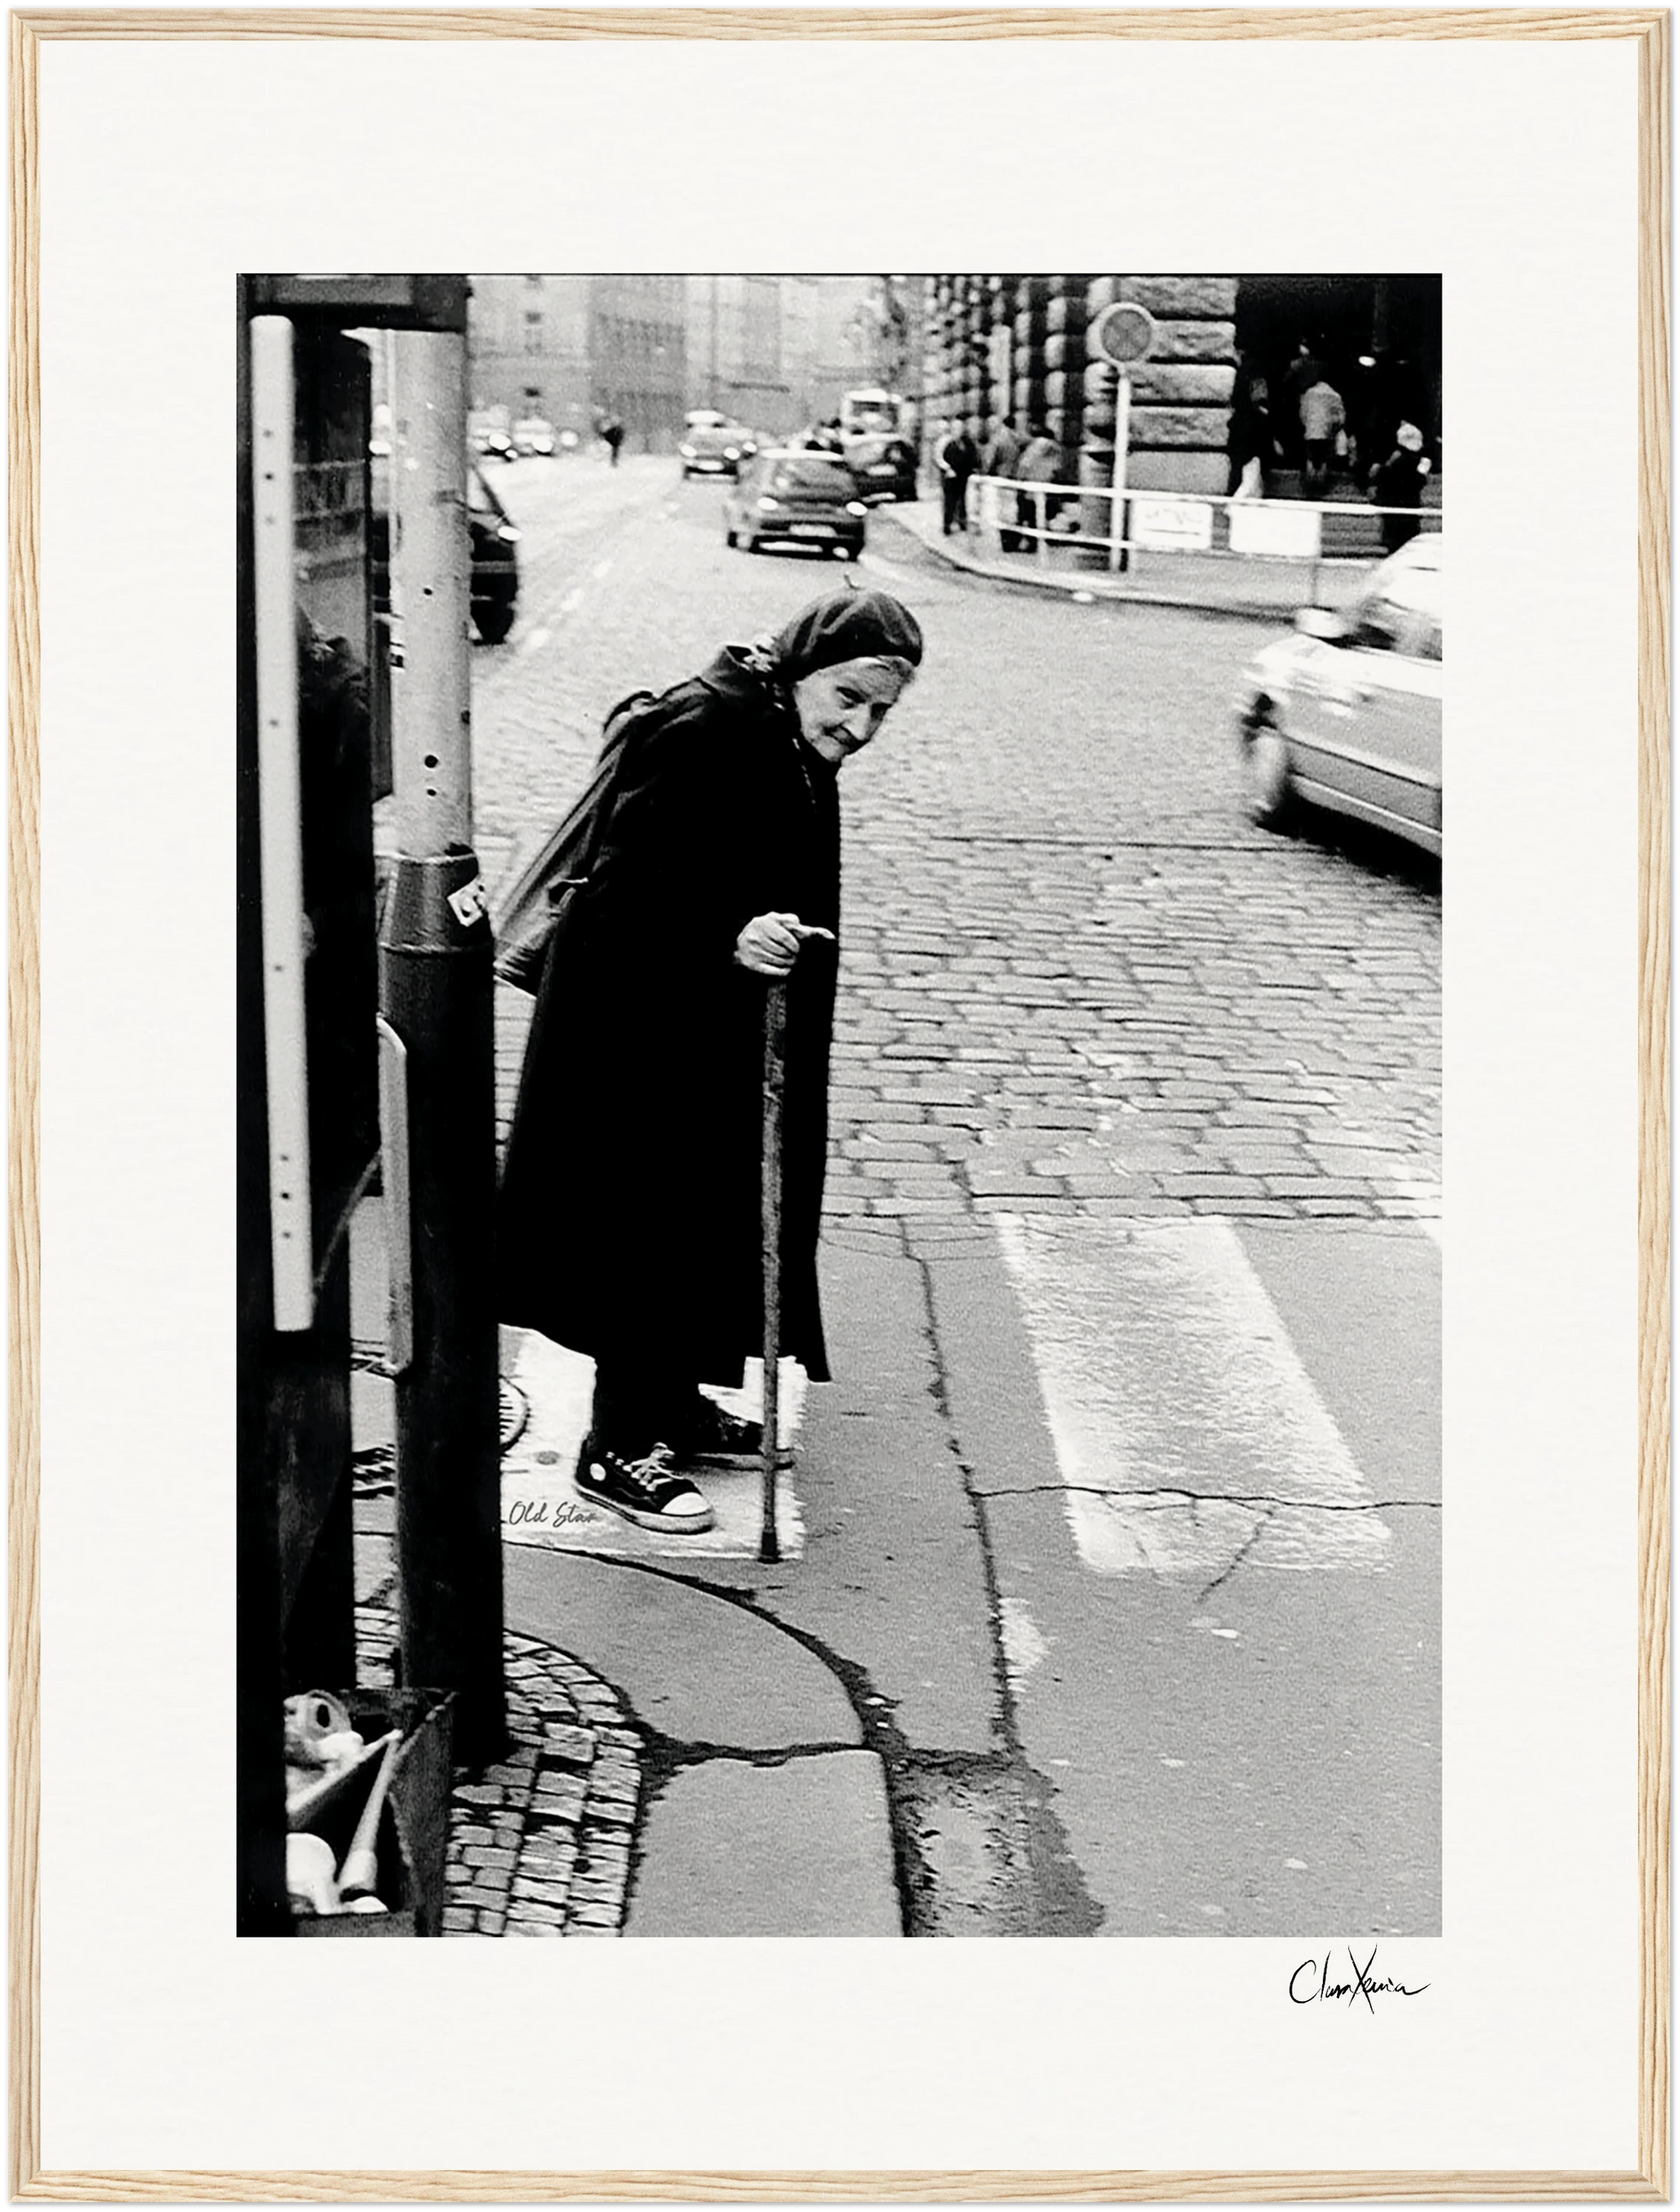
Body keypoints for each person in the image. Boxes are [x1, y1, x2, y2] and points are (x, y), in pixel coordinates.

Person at [497, 586, 925, 1535]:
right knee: (651, 1222)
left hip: (717, 1027)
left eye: (880, 712)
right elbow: (618, 895)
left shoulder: (781, 729)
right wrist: (727, 937)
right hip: (641, 1037)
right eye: (849, 698)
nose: (859, 728)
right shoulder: (702, 729)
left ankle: (674, 1401)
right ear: (801, 668)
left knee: (710, 1215)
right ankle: (617, 1445)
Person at [1369, 420, 1433, 552]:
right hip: (1405, 508)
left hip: (1395, 508)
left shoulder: (1393, 462)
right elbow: (1417, 483)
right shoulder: (1415, 463)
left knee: (1395, 542)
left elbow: (1380, 479)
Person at [1299, 371, 1347, 496]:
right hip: (1326, 435)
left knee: (1311, 459)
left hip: (1311, 433)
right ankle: (1320, 489)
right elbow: (1341, 419)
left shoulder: (1309, 393)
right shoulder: (1335, 396)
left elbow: (1302, 414)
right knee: (1323, 461)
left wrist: (1308, 425)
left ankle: (1310, 488)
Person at [982, 413, 1024, 548]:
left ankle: (1006, 542)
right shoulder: (1019, 438)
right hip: (1017, 478)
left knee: (1003, 511)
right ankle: (1014, 539)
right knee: (1014, 511)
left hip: (1002, 477)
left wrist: (987, 472)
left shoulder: (998, 439)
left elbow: (990, 460)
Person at [936, 418, 979, 535]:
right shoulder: (948, 444)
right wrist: (948, 469)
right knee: (950, 502)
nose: (958, 431)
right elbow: (940, 458)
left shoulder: (968, 444)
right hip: (951, 478)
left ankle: (962, 522)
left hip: (963, 476)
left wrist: (973, 469)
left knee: (963, 500)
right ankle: (947, 525)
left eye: (960, 429)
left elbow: (973, 457)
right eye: (955, 429)